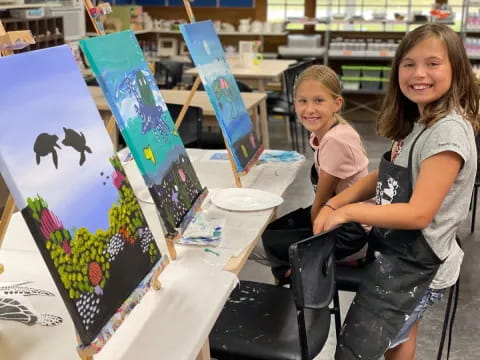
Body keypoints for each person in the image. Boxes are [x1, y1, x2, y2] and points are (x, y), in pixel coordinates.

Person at [313, 24, 479, 360]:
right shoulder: (420, 120)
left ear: (457, 69)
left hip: (421, 266)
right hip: (398, 253)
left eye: (433, 63)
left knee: (371, 344)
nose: (419, 73)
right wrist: (337, 200)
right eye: (409, 63)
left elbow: (418, 213)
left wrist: (346, 213)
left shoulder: (447, 133)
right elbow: (385, 173)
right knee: (399, 339)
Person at [261, 64, 371, 284]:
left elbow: (320, 204)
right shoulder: (327, 132)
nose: (309, 109)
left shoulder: (335, 141)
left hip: (353, 232)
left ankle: (301, 287)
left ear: (336, 104)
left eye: (318, 101)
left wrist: (309, 254)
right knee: (272, 234)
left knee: (276, 247)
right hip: (343, 218)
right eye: (302, 101)